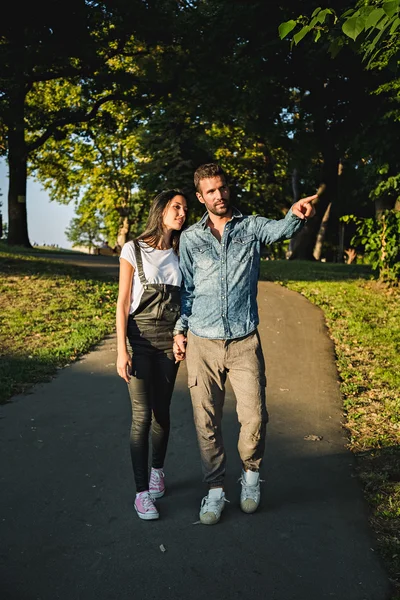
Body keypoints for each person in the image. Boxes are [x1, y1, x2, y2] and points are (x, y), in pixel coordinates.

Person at [173, 163, 316, 525]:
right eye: (211, 192)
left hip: (243, 341)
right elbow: (187, 291)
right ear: (200, 196)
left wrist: (294, 214)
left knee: (253, 417)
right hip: (202, 343)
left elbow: (280, 229)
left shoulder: (250, 227)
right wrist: (180, 329)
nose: (219, 196)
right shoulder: (191, 238)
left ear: (227, 188)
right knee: (205, 421)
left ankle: (250, 477)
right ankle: (215, 490)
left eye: (222, 188)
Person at [116, 189, 188, 521]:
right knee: (141, 417)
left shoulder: (181, 252)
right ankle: (141, 492)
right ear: (160, 210)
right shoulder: (133, 249)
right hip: (141, 343)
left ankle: (158, 470)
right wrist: (121, 351)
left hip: (169, 344)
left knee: (162, 412)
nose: (182, 213)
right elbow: (122, 303)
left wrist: (181, 334)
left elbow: (187, 302)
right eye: (177, 207)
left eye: (185, 208)